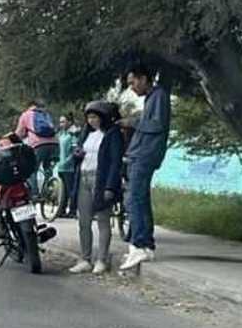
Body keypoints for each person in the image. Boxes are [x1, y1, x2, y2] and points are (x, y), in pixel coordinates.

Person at [120, 63, 171, 271]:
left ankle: (139, 244)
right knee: (141, 198)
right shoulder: (152, 98)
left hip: (145, 155)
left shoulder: (159, 96)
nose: (132, 88)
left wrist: (132, 122)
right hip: (140, 154)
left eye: (133, 83)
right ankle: (146, 245)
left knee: (134, 199)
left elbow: (158, 125)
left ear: (143, 79)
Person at [68, 101, 124, 274]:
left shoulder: (112, 134)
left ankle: (102, 258)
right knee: (84, 221)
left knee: (103, 220)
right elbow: (77, 157)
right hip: (84, 178)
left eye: (95, 117)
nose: (92, 121)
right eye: (89, 117)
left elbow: (115, 162)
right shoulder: (86, 135)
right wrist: (76, 155)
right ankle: (85, 258)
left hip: (100, 179)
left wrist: (110, 186)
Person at [15, 99, 59, 197]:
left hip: (38, 145)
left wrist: (12, 139)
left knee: (31, 169)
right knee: (48, 169)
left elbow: (19, 134)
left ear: (29, 106)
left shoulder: (26, 114)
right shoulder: (46, 114)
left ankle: (34, 194)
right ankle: (49, 192)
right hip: (54, 144)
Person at [56, 114, 80, 218]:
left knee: (71, 190)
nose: (61, 124)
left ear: (69, 122)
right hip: (60, 167)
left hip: (69, 167)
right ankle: (61, 210)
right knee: (63, 191)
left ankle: (73, 210)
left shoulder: (73, 134)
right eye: (60, 122)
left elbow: (75, 151)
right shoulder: (60, 134)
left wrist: (67, 161)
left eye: (63, 121)